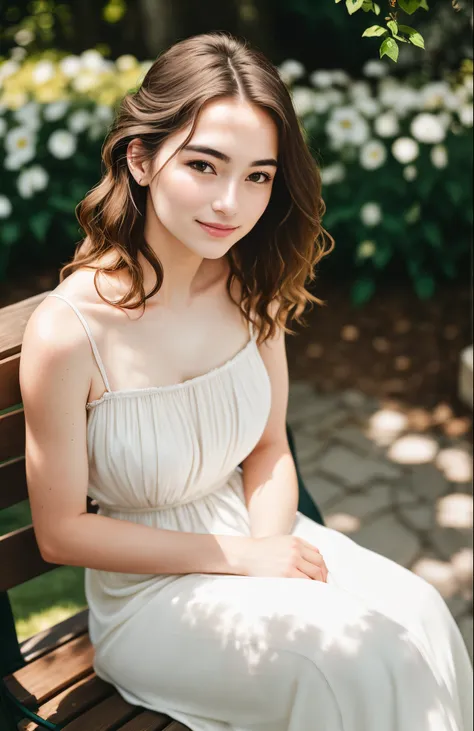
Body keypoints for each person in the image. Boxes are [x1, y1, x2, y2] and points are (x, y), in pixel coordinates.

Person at [20, 30, 472, 731]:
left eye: (258, 175)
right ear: (141, 158)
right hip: (149, 596)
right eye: (205, 165)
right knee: (347, 660)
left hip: (261, 531)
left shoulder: (250, 287)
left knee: (423, 614)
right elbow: (60, 533)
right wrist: (242, 561)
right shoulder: (70, 330)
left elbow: (268, 451)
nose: (231, 202)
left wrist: (269, 559)